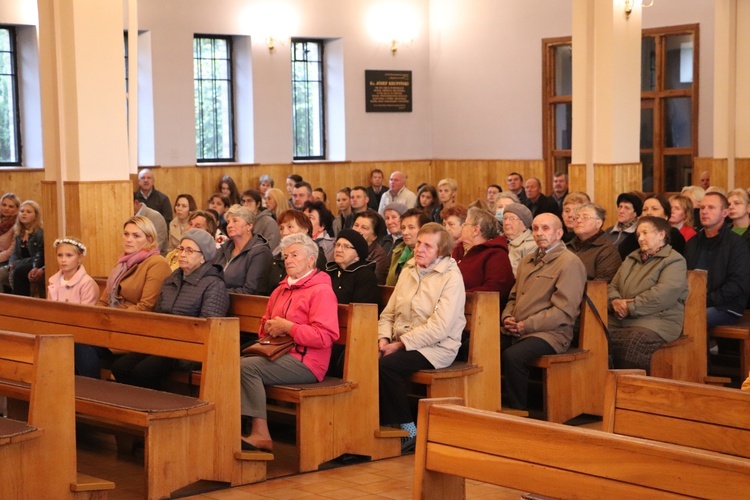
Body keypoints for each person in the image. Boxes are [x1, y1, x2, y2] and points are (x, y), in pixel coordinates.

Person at [240, 233, 339, 452]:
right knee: (230, 363)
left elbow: (324, 336)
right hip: (276, 354)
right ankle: (233, 429)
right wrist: (269, 327)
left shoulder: (321, 291)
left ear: (311, 259)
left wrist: (289, 328)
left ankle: (261, 434)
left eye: (295, 255)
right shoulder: (280, 290)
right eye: (285, 257)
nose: (288, 260)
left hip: (307, 362)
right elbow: (263, 325)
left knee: (246, 368)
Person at [378, 223, 466, 452]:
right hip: (402, 341)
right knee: (359, 359)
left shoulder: (451, 278)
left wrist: (400, 344)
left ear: (441, 251)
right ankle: (379, 425)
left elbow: (440, 327)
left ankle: (409, 430)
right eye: (418, 243)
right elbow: (388, 313)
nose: (420, 249)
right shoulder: (409, 270)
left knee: (387, 366)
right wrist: (383, 339)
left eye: (428, 245)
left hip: (437, 346)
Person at [113, 229, 230, 389]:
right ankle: (133, 407)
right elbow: (158, 315)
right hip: (162, 341)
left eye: (189, 251)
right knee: (121, 366)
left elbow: (209, 329)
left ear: (203, 257)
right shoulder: (171, 280)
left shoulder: (214, 285)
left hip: (189, 348)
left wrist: (173, 339)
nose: (182, 254)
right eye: (181, 249)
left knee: (143, 372)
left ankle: (150, 408)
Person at [501, 213, 587, 410]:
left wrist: (526, 325)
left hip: (551, 333)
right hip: (519, 329)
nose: (539, 233)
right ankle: (488, 407)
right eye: (536, 229)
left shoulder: (569, 263)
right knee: (481, 346)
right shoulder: (527, 260)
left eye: (545, 228)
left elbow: (564, 312)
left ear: (559, 233)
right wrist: (507, 317)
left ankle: (518, 413)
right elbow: (513, 297)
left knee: (513, 356)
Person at [607, 216, 688, 372]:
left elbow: (663, 294)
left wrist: (629, 307)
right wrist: (615, 301)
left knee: (632, 343)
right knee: (596, 336)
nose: (641, 238)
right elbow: (613, 285)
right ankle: (602, 390)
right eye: (638, 235)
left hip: (657, 321)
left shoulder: (674, 260)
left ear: (661, 235)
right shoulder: (631, 258)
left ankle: (632, 392)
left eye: (645, 233)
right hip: (622, 319)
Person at [685, 192, 750, 328]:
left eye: (711, 207)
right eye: (702, 208)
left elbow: (737, 284)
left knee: (691, 318)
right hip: (693, 302)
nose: (705, 212)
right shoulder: (693, 242)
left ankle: (705, 348)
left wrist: (704, 300)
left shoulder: (736, 243)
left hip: (726, 306)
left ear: (725, 212)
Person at [46, 237, 101, 378]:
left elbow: (86, 316)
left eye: (69, 255)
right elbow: (49, 310)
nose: (63, 260)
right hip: (58, 331)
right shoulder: (53, 281)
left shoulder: (87, 283)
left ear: (80, 257)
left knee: (78, 348)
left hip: (81, 333)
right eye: (60, 255)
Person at [98, 216, 171, 310]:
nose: (128, 240)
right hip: (112, 317)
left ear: (150, 240)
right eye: (126, 234)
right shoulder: (122, 263)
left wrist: (113, 318)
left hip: (134, 320)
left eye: (136, 236)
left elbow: (146, 307)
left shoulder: (157, 263)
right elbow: (104, 301)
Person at [453, 207, 514, 303]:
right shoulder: (458, 250)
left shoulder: (496, 254)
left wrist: (457, 295)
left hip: (477, 310)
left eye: (465, 224)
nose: (462, 228)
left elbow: (495, 289)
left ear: (476, 230)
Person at [263, 210, 327, 294]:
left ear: (305, 230)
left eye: (290, 227)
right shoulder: (277, 255)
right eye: (281, 228)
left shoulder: (316, 255)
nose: (284, 233)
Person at [213, 205, 272, 294]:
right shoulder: (224, 249)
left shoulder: (260, 251)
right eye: (228, 222)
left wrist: (217, 293)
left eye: (235, 221)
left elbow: (250, 290)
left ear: (249, 225)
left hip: (243, 304)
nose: (229, 225)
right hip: (215, 300)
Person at [566, 203, 622, 283]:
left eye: (585, 217)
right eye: (576, 217)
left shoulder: (607, 250)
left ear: (598, 223)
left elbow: (600, 286)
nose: (579, 220)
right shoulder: (566, 247)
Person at [0, 200, 45, 296]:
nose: (24, 214)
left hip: (35, 264)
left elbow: (38, 256)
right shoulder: (19, 231)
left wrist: (16, 264)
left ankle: (19, 303)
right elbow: (15, 252)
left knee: (19, 271)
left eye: (28, 212)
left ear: (36, 216)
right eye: (22, 211)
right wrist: (12, 263)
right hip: (19, 262)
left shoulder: (39, 233)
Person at [325, 229, 380, 306]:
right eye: (337, 245)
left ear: (357, 255)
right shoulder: (329, 271)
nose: (339, 250)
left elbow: (362, 311)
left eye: (346, 247)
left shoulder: (365, 276)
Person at [386, 208, 431, 286]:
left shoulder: (428, 255)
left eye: (411, 227)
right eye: (403, 228)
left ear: (424, 230)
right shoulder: (397, 251)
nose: (405, 232)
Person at [352, 209, 390, 284]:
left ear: (374, 236)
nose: (357, 230)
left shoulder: (379, 256)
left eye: (364, 228)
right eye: (356, 225)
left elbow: (371, 283)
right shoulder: (345, 247)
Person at [502, 202, 536, 276]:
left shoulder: (532, 245)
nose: (506, 222)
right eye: (505, 218)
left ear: (524, 224)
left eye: (512, 218)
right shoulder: (500, 241)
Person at [605, 192, 642, 259]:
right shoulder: (608, 231)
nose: (621, 211)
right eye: (620, 207)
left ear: (635, 213)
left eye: (627, 208)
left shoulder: (638, 234)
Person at [0, 193, 20, 271]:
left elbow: (11, 251)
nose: (6, 208)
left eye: (11, 206)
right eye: (4, 205)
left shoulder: (17, 225)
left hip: (5, 260)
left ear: (17, 209)